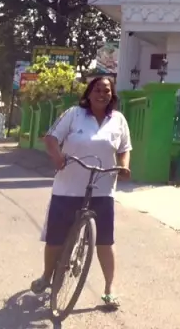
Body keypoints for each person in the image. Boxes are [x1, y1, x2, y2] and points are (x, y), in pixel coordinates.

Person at [30, 75, 132, 309]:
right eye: (97, 89)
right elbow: (51, 138)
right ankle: (47, 276)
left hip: (103, 188)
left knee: (105, 241)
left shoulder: (118, 120)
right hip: (68, 187)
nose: (101, 94)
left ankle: (109, 289)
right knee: (55, 239)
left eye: (106, 90)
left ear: (112, 95)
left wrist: (124, 165)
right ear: (88, 93)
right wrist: (57, 157)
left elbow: (125, 148)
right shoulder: (73, 114)